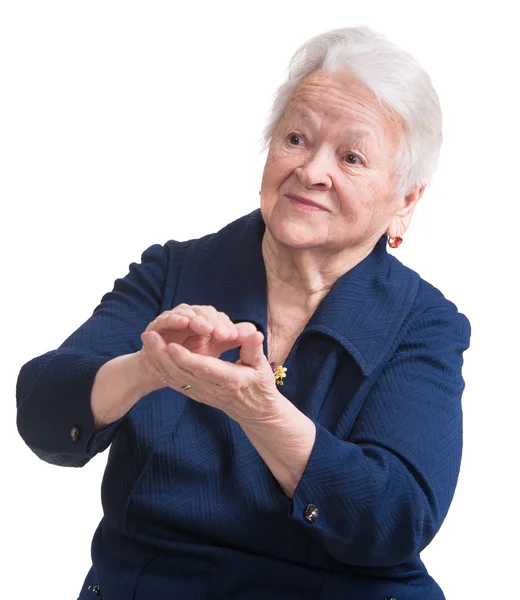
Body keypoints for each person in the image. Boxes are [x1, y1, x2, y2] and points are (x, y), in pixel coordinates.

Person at [16, 25, 471, 600]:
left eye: (351, 156)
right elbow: (44, 411)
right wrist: (148, 369)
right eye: (296, 139)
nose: (311, 171)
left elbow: (394, 518)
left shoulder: (424, 324)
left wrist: (260, 411)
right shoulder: (173, 272)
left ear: (405, 201)